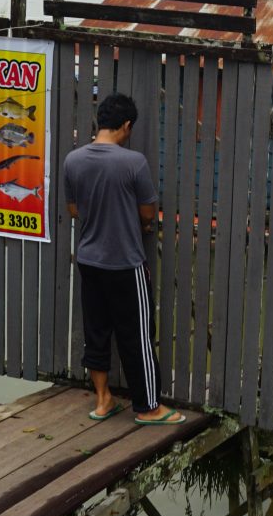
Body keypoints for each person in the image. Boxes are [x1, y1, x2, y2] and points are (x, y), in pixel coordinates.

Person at [62, 92, 185, 425]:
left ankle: (103, 401)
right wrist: (141, 223)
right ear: (126, 126)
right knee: (138, 335)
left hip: (89, 260)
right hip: (125, 263)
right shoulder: (134, 163)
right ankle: (148, 408)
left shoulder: (73, 160)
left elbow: (74, 210)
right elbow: (148, 210)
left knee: (96, 331)